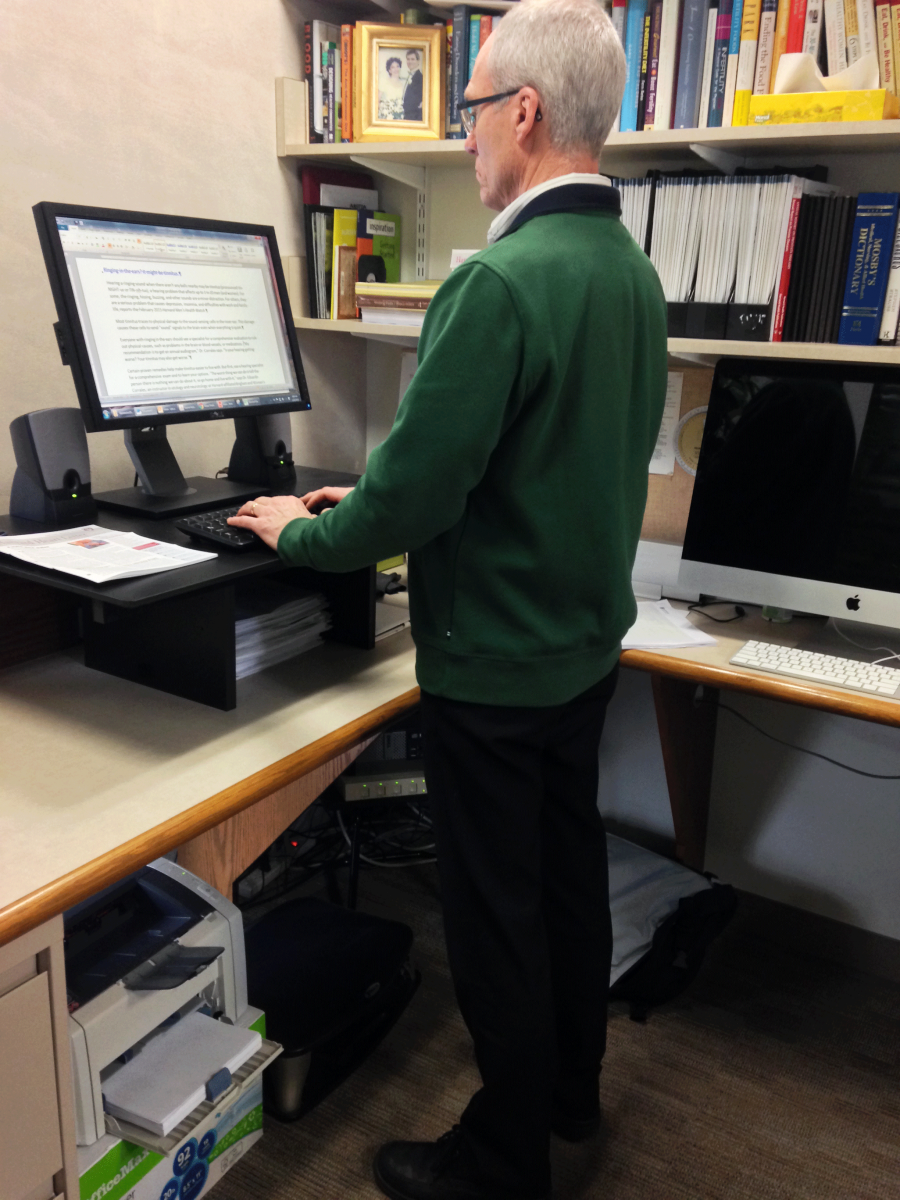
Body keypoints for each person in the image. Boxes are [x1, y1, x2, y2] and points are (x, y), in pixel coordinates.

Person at [229, 0, 667, 1196]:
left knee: (493, 921)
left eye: (473, 110)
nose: (466, 134)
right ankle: (570, 1096)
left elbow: (410, 501)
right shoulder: (629, 271)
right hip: (580, 654)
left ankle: (502, 1154)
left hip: (495, 671)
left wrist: (308, 526)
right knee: (567, 887)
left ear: (524, 112)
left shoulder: (501, 284)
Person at [379, 56, 405, 121]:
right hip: (385, 117)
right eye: (393, 67)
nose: (396, 69)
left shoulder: (403, 84)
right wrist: (384, 113)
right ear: (389, 70)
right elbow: (377, 101)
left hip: (400, 117)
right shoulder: (384, 82)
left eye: (397, 66)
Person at [402, 48, 423, 121]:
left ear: (418, 61)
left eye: (412, 59)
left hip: (414, 118)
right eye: (408, 59)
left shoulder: (421, 78)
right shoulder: (407, 76)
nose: (410, 61)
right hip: (405, 117)